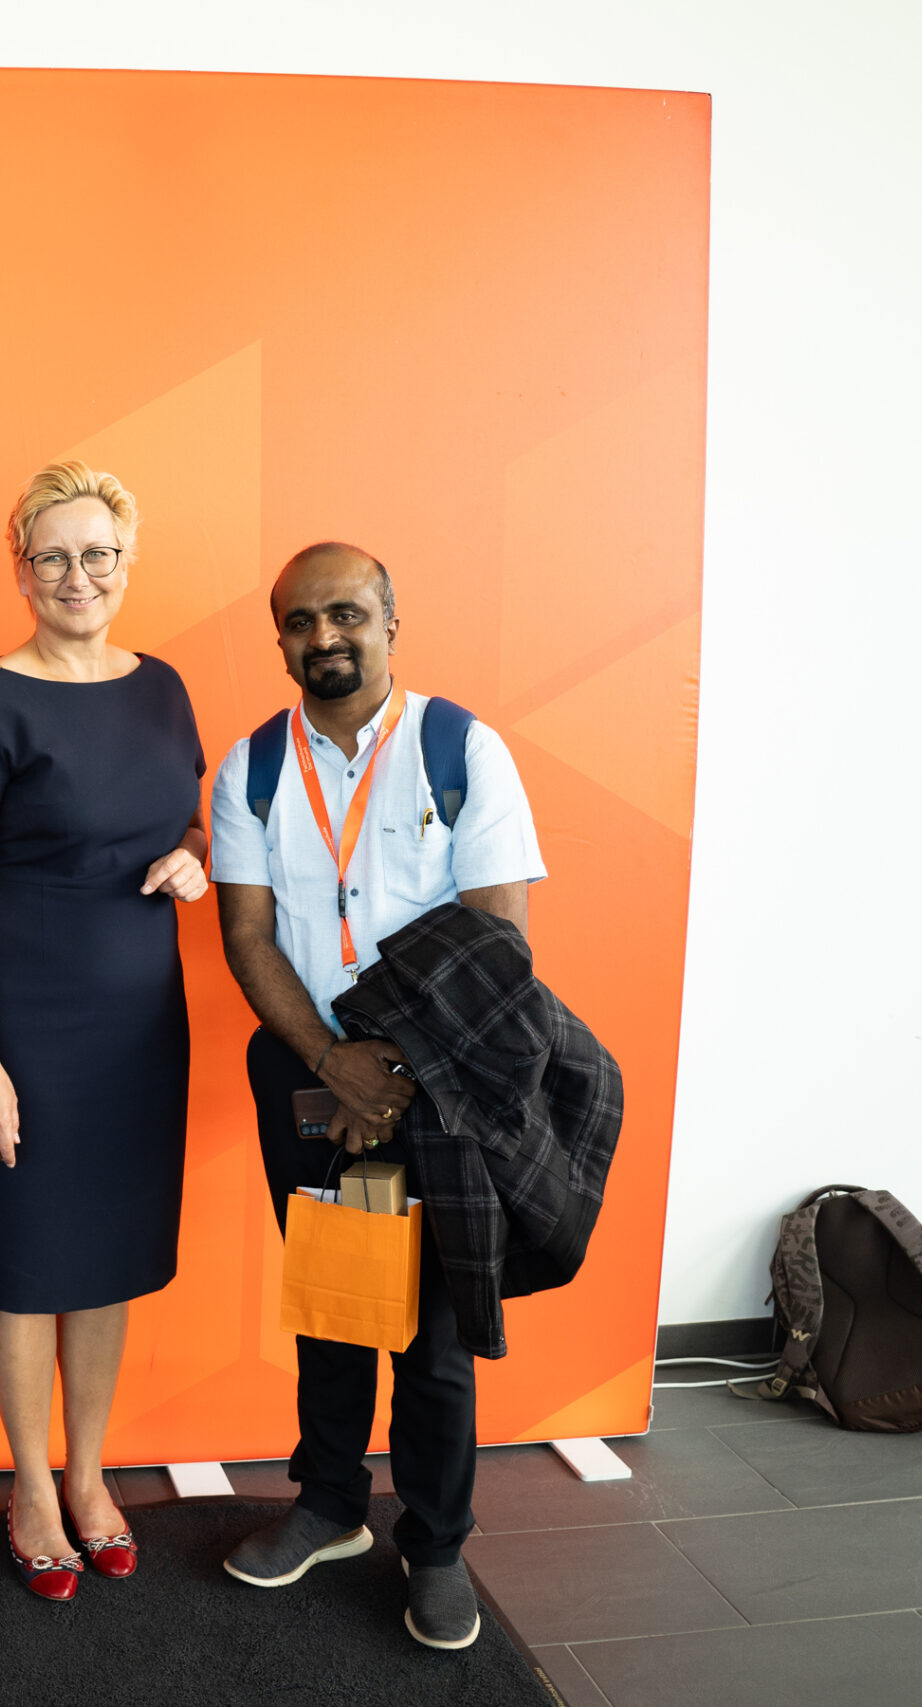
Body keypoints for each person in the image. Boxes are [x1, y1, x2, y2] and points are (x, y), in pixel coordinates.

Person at [208, 542, 547, 1652]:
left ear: (392, 620)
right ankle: (328, 1507)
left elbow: (498, 933)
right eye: (300, 621)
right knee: (331, 1301)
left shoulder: (460, 749)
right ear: (281, 640)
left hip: (441, 1074)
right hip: (305, 1071)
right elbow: (247, 936)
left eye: (347, 613)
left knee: (434, 1331)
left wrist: (393, 1069)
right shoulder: (252, 768)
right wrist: (332, 1061)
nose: (325, 637)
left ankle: (436, 1546)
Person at [0, 461, 206, 1601]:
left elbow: (185, 815)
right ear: (21, 568)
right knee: (27, 1264)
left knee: (106, 1261)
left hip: (138, 1028)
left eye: (97, 554)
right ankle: (32, 1486)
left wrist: (191, 854)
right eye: (53, 556)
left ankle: (90, 1474)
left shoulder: (164, 689)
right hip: (25, 1027)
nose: (76, 575)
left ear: (127, 562)